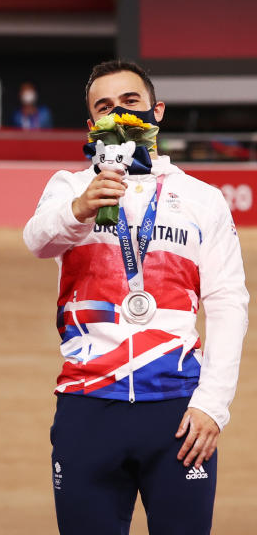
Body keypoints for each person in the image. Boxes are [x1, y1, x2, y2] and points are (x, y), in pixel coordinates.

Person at [23, 60, 248, 535]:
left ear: (156, 111)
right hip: (88, 405)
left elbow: (228, 303)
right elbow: (38, 242)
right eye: (105, 107)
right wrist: (80, 208)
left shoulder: (201, 198)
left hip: (178, 412)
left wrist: (213, 403)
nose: (119, 115)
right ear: (91, 125)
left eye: (130, 102)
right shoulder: (69, 186)